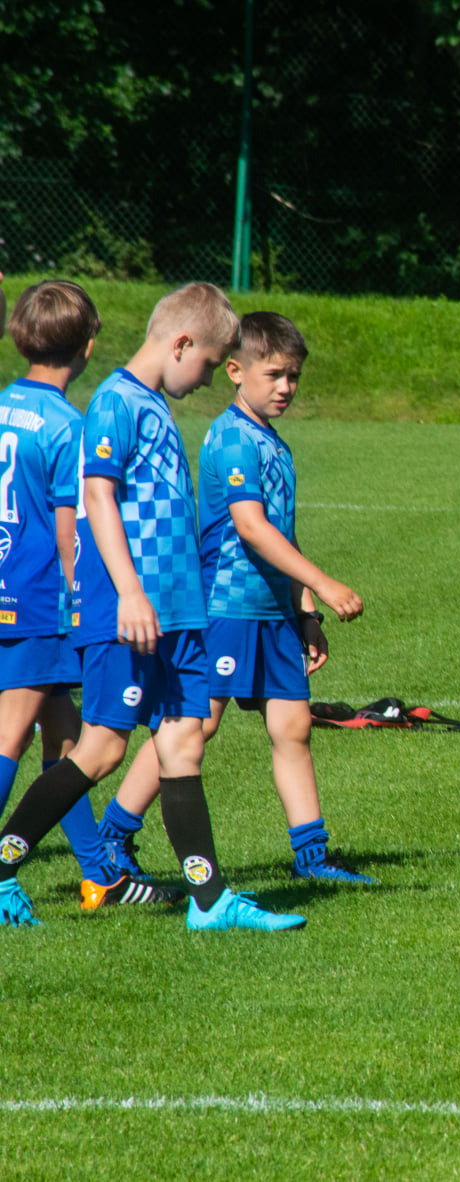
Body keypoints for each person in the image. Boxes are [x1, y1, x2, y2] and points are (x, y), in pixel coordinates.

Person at [0, 282, 304, 931]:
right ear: (181, 344)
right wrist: (131, 593)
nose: (206, 379)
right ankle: (1, 866)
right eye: (207, 364)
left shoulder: (153, 404)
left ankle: (209, 901)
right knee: (102, 749)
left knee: (183, 742)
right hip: (130, 611)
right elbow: (98, 498)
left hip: (179, 614)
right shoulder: (116, 400)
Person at [96, 312, 372, 885]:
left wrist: (305, 611)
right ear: (235, 371)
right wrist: (325, 584)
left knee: (292, 729)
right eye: (274, 375)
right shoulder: (232, 438)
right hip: (226, 608)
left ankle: (312, 856)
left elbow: (283, 535)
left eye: (294, 377)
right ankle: (114, 836)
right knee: (193, 727)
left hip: (273, 613)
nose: (286, 387)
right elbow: (251, 528)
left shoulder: (273, 443)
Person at [0, 280, 164, 907]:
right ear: (89, 346)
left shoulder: (4, 404)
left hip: (5, 582)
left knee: (66, 736)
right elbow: (71, 529)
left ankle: (100, 874)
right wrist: (83, 599)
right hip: (38, 600)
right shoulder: (69, 426)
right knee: (13, 733)